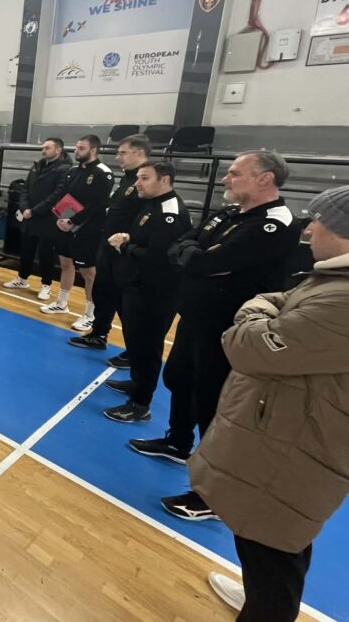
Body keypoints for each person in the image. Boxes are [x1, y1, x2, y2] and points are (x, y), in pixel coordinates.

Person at [190, 185, 349, 622]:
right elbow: (283, 301)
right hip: (289, 432)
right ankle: (258, 597)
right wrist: (272, 309)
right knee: (271, 539)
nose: (309, 229)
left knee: (275, 548)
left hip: (298, 444)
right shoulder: (332, 281)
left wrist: (256, 311)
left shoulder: (342, 300)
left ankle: (266, 607)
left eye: (319, 221)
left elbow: (246, 346)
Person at [128, 151, 299, 521]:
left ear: (265, 179)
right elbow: (184, 246)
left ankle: (213, 494)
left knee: (214, 404)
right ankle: (178, 442)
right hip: (196, 317)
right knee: (179, 378)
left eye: (235, 173)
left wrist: (199, 257)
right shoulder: (230, 213)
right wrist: (199, 257)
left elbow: (206, 261)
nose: (225, 179)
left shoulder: (275, 224)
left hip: (229, 329)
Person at [101, 162, 191, 423]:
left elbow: (160, 256)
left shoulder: (169, 212)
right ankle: (136, 382)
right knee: (136, 343)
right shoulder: (151, 204)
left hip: (156, 291)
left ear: (164, 180)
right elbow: (148, 239)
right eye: (138, 178)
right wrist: (129, 239)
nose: (137, 183)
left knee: (148, 346)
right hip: (138, 285)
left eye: (144, 178)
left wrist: (124, 247)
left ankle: (140, 405)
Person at [68, 134, 151, 369]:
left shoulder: (145, 181)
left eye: (123, 152)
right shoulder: (127, 179)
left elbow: (144, 218)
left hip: (125, 251)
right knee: (104, 293)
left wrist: (128, 241)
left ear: (139, 153)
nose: (118, 157)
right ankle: (98, 334)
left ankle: (134, 352)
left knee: (127, 306)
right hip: (108, 246)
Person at [40, 135, 114, 329]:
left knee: (88, 272)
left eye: (81, 148)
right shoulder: (73, 171)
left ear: (93, 150)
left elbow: (98, 204)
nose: (76, 151)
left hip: (88, 229)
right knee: (65, 263)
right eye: (76, 147)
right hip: (66, 225)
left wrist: (74, 221)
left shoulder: (102, 172)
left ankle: (90, 314)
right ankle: (61, 303)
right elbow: (64, 196)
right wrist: (60, 217)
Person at [3, 138, 72, 297]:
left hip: (48, 218)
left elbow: (57, 195)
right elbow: (25, 189)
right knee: (26, 249)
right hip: (29, 217)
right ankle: (22, 278)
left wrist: (35, 210)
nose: (43, 151)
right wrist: (24, 207)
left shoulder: (64, 169)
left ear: (58, 150)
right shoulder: (36, 166)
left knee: (45, 254)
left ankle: (46, 285)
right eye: (43, 148)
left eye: (47, 148)